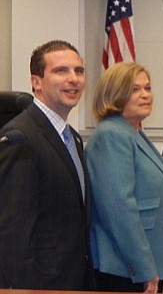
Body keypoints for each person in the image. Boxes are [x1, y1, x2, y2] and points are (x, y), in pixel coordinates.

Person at [0, 40, 93, 289]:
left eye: (79, 71)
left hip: (74, 279)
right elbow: (13, 232)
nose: (73, 79)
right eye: (61, 71)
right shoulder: (20, 136)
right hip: (40, 284)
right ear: (36, 82)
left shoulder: (72, 137)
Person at [86, 62, 163, 293]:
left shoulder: (132, 131)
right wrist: (144, 267)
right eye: (135, 89)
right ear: (114, 93)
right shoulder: (112, 134)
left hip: (138, 268)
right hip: (124, 269)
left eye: (147, 88)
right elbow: (119, 209)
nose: (145, 95)